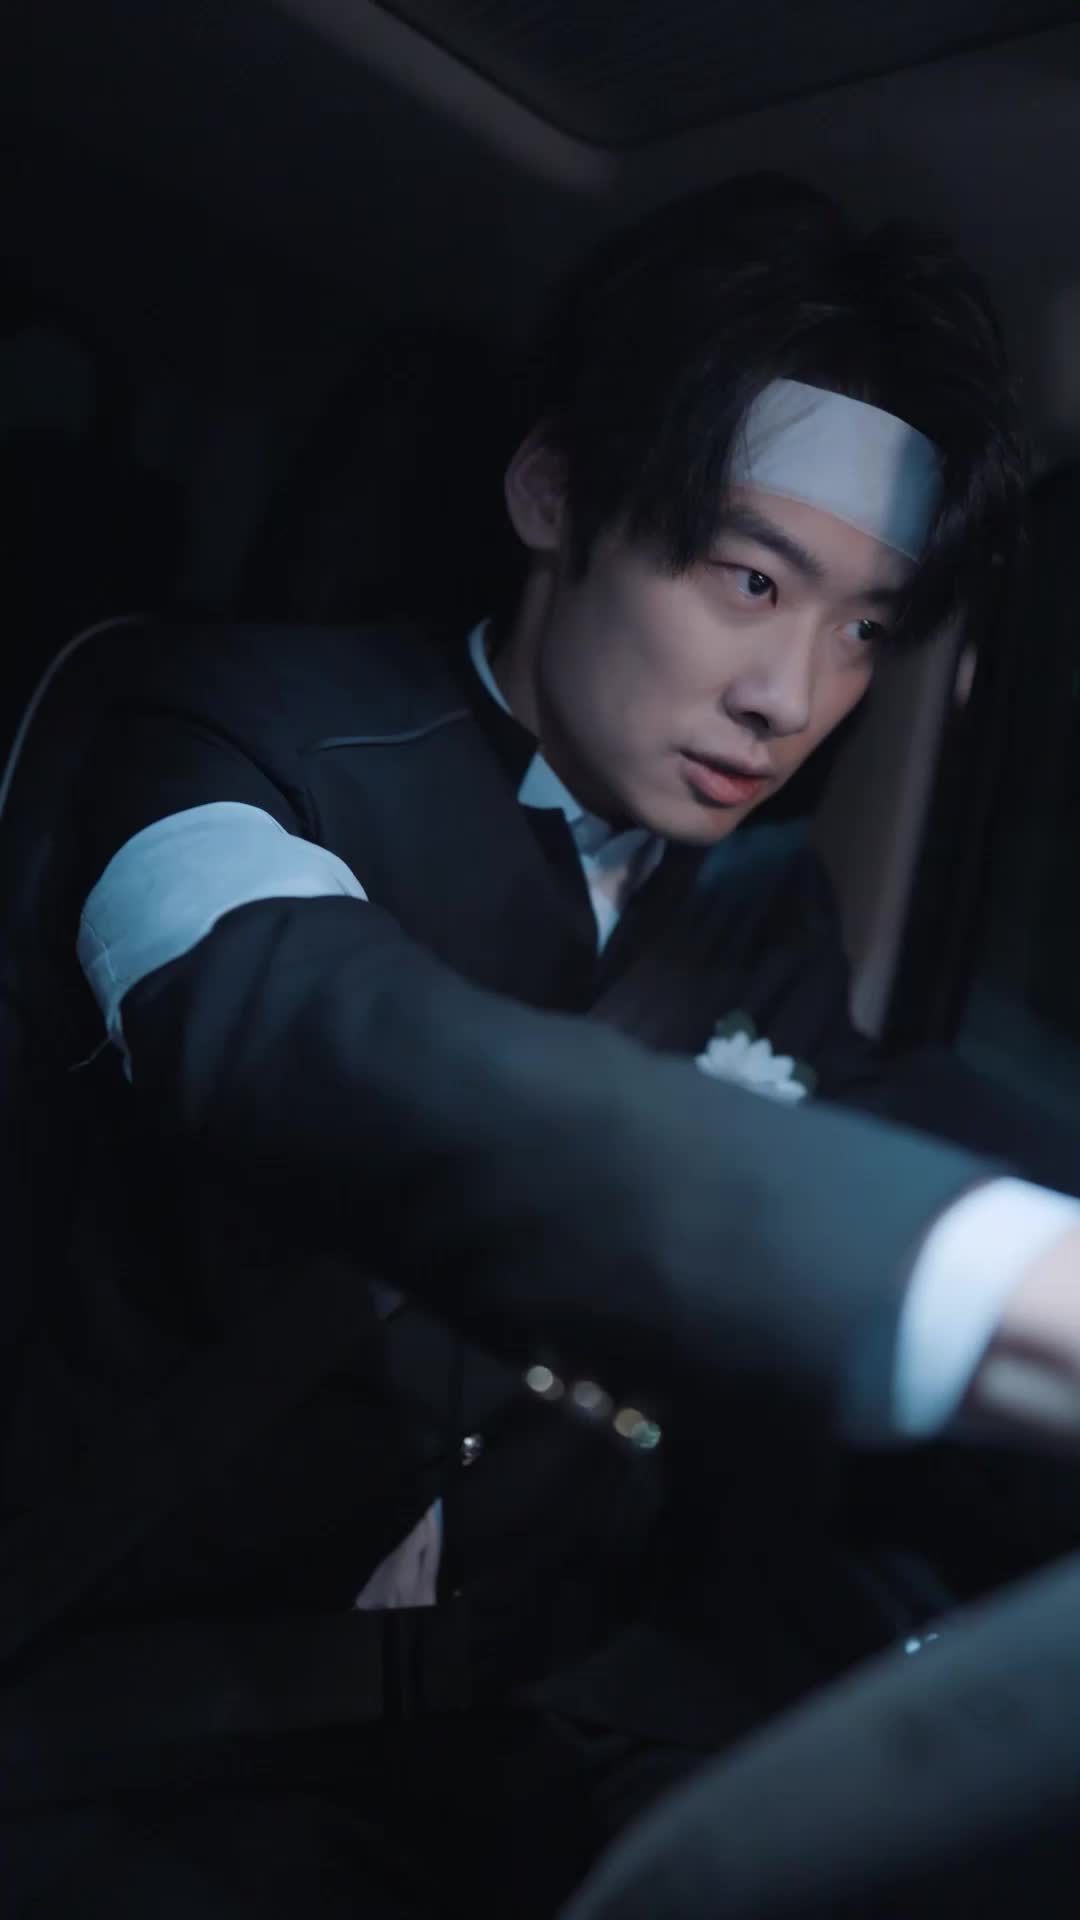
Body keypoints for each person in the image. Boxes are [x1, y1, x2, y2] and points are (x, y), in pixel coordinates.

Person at [4, 172, 1080, 1916]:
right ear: (555, 493)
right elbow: (328, 1037)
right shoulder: (220, 740)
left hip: (501, 1743)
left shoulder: (756, 906)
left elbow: (892, 1110)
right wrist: (993, 1283)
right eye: (748, 577)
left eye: (866, 631)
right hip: (123, 1740)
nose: (792, 696)